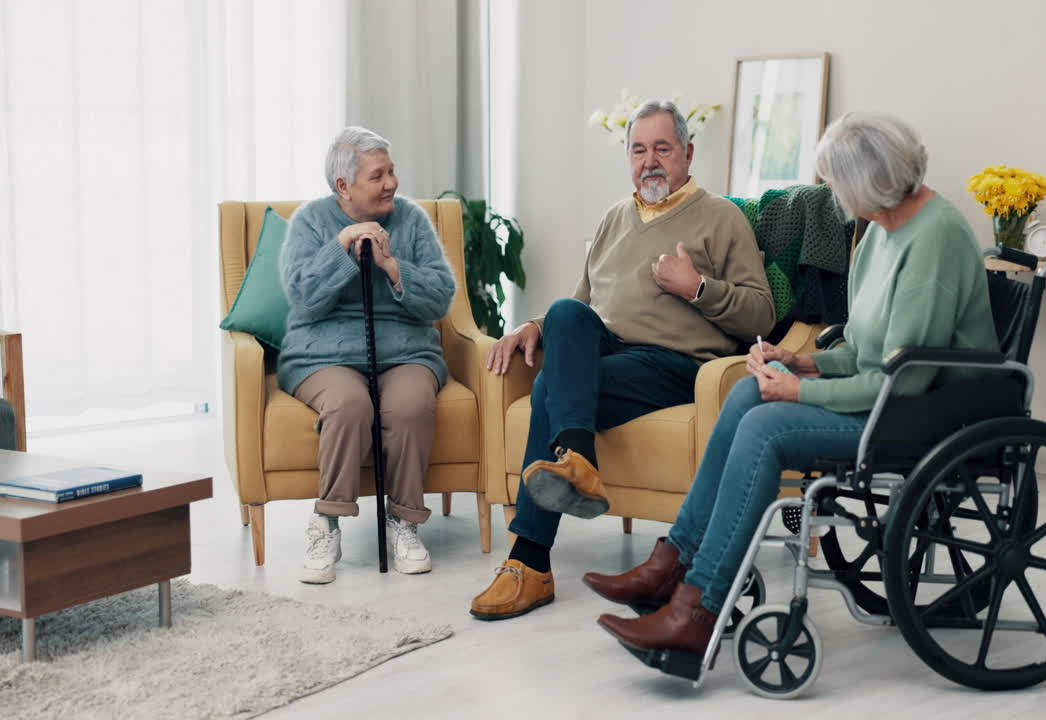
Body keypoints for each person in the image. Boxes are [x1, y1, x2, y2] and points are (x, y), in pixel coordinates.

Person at [586, 112, 1001, 658]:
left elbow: (902, 380)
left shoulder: (934, 239)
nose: (833, 195)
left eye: (837, 183)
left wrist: (798, 394)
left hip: (925, 415)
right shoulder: (880, 229)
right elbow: (866, 347)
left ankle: (698, 608)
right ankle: (675, 562)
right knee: (747, 393)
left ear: (868, 181)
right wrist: (804, 364)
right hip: (889, 398)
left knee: (766, 428)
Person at [470, 101, 775, 621]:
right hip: (610, 352)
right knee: (564, 312)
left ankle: (529, 563)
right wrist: (534, 327)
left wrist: (697, 287)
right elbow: (581, 308)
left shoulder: (722, 217)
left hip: (675, 365)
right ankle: (578, 459)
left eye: (662, 148)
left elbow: (761, 314)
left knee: (547, 389)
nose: (649, 161)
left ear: (688, 153)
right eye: (639, 150)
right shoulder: (615, 217)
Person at [279, 126, 456, 584]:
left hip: (405, 350)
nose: (392, 183)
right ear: (343, 186)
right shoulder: (310, 222)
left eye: (392, 171)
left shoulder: (411, 220)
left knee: (412, 403)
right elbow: (303, 297)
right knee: (349, 404)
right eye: (378, 175)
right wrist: (340, 249)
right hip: (323, 354)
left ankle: (404, 522)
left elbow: (440, 298)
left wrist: (393, 268)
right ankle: (327, 521)